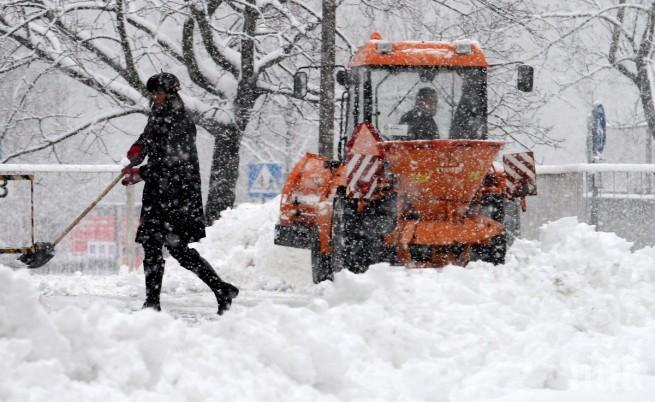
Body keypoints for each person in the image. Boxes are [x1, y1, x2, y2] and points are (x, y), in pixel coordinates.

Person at [121, 72, 238, 315]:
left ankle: (219, 290)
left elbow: (172, 163)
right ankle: (153, 302)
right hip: (159, 194)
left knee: (177, 249)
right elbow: (150, 139)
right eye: (152, 93)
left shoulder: (181, 120)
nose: (154, 97)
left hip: (177, 195)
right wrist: (137, 151)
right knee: (153, 246)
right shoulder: (159, 115)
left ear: (170, 92)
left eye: (158, 93)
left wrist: (141, 173)